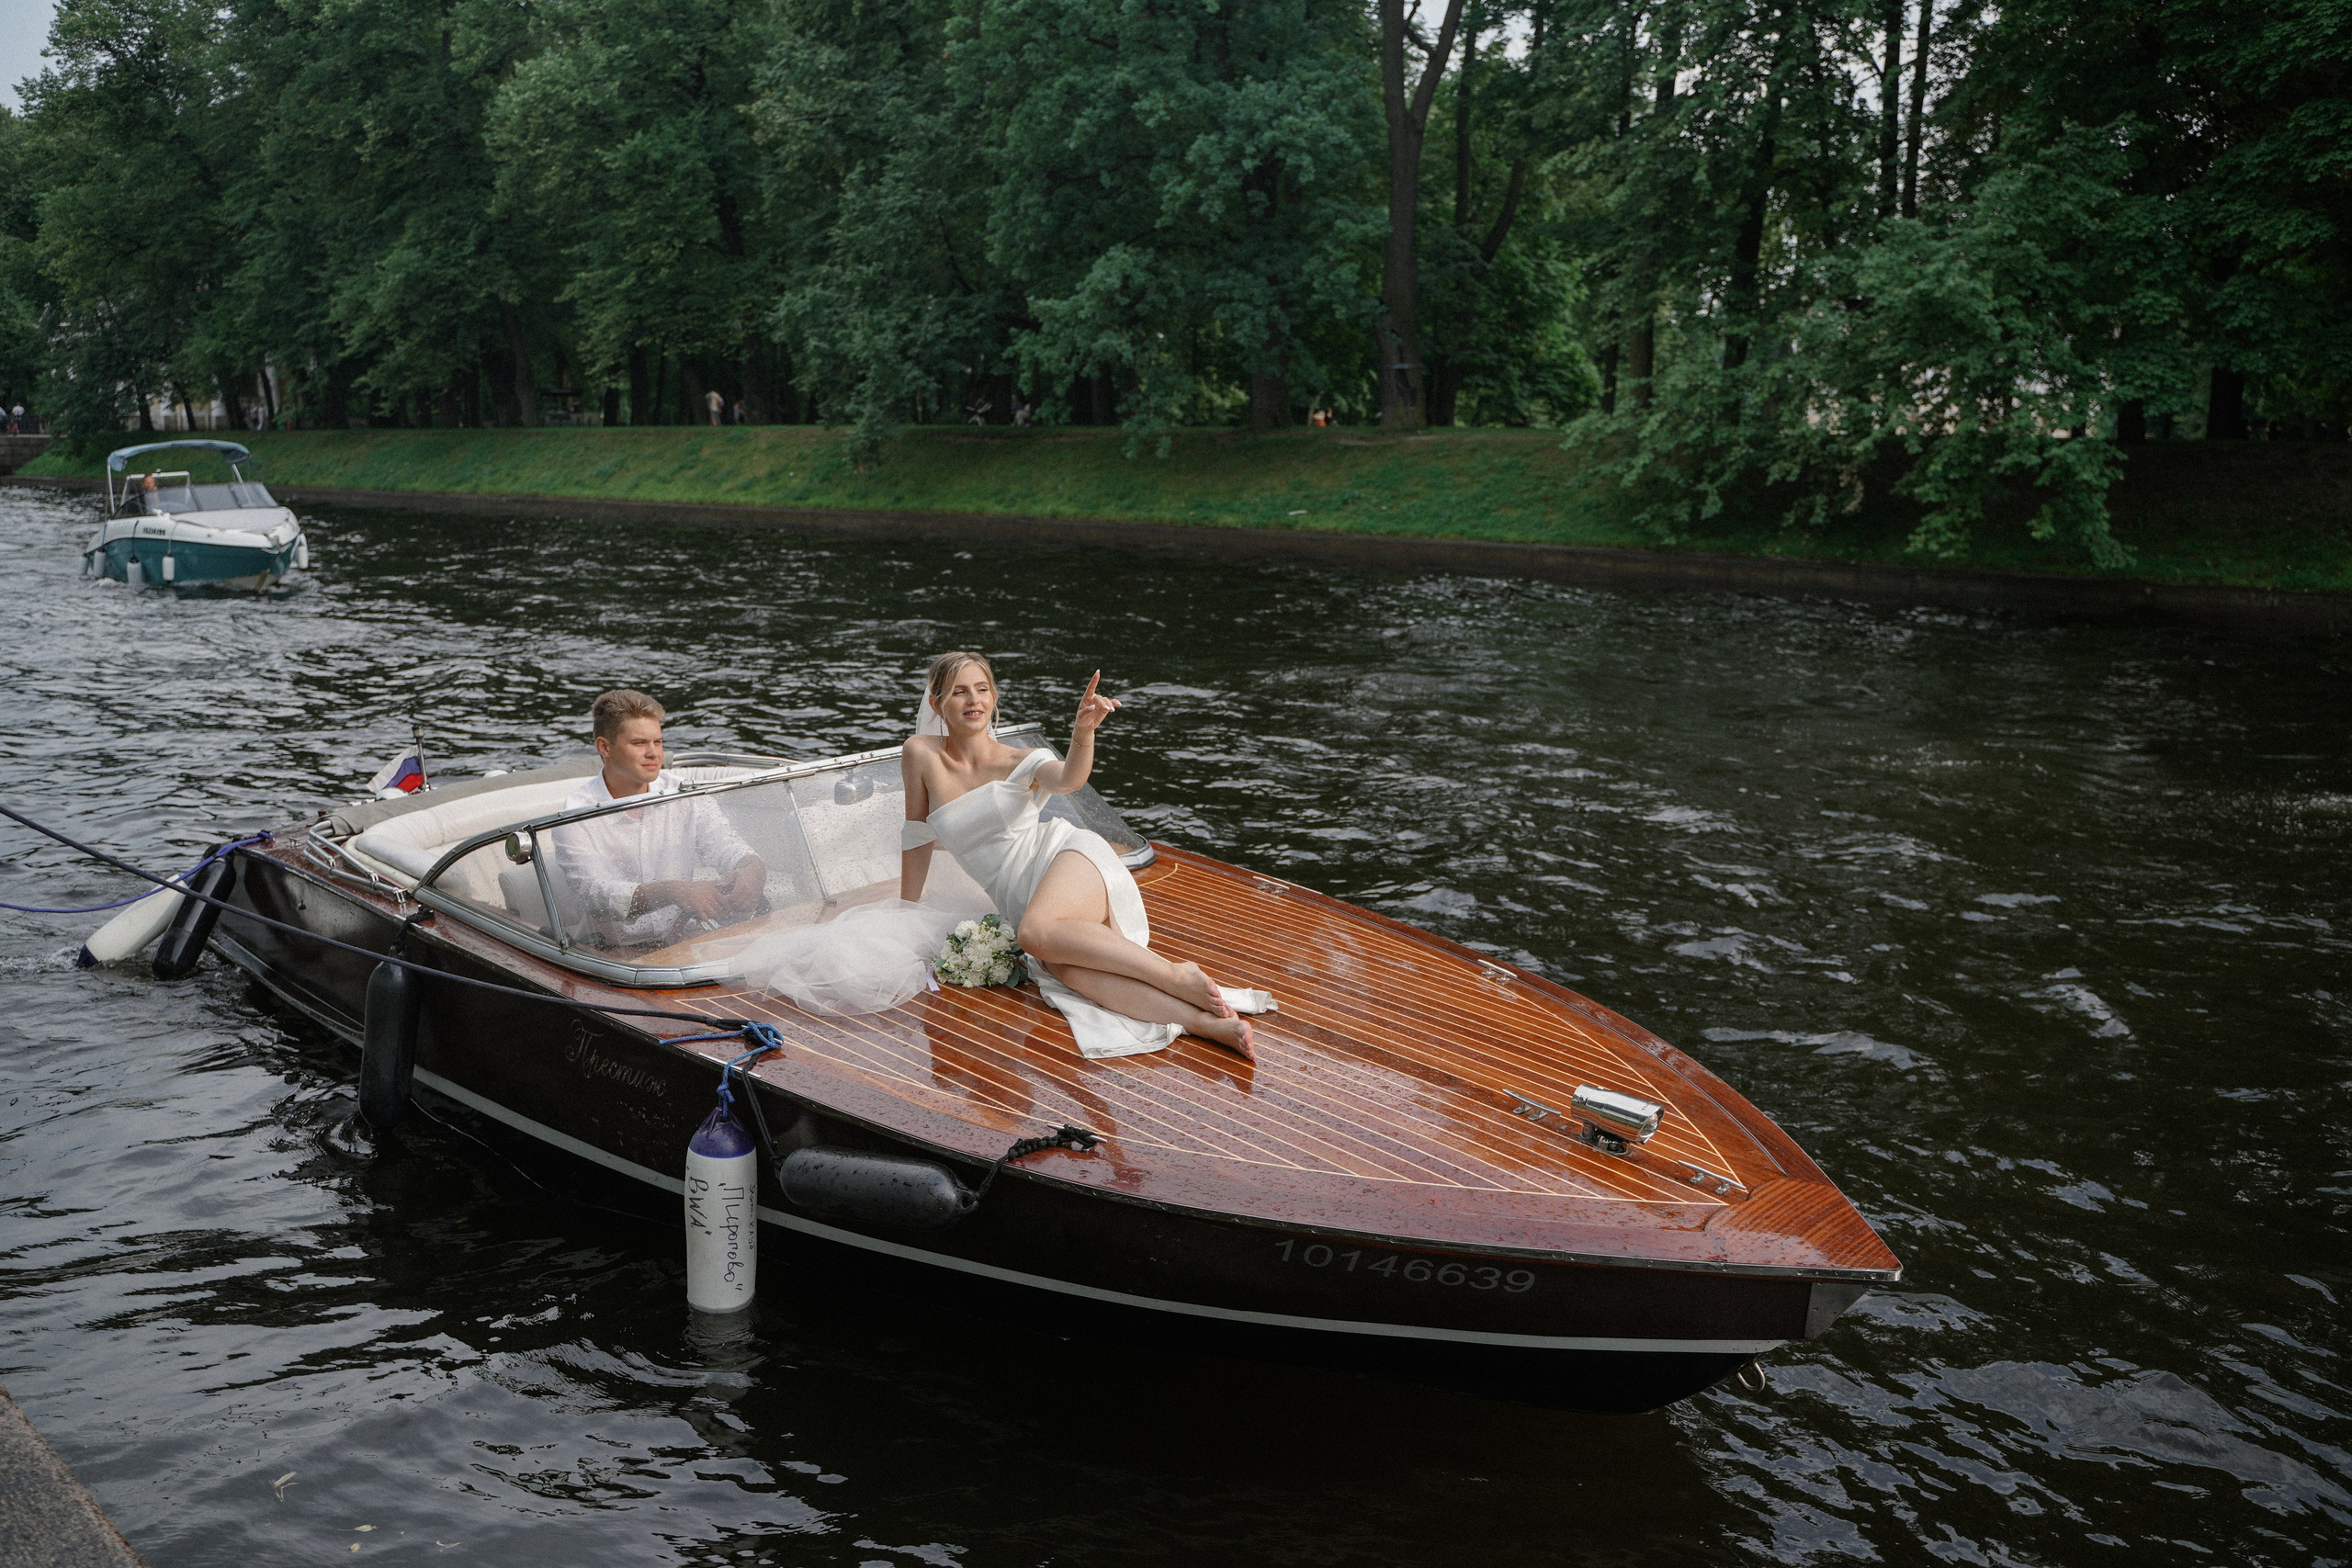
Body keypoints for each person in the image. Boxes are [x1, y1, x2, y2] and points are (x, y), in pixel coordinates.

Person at [900, 652, 1268, 1062]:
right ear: (936, 704)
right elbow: (916, 835)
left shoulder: (1020, 760)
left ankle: (1176, 974)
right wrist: (905, 910)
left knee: (1034, 936)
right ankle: (1207, 1024)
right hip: (1023, 898)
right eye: (959, 692)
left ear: (995, 696)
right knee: (1069, 973)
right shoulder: (920, 753)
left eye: (982, 689)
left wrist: (1083, 733)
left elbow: (1069, 778)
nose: (974, 701)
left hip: (1066, 859)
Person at [552, 690, 765, 948]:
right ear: (604, 747)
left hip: (684, 940)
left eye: (659, 742)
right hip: (610, 954)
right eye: (640, 743)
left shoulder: (685, 793)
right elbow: (598, 894)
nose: (654, 753)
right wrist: (674, 891)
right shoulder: (576, 814)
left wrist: (752, 870)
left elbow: (728, 846)